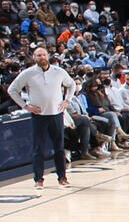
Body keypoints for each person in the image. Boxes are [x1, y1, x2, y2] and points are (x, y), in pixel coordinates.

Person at [6, 46, 76, 189]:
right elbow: (12, 90)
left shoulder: (59, 72)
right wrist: (25, 106)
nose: (41, 57)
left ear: (48, 56)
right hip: (39, 116)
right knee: (38, 149)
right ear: (34, 57)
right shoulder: (27, 73)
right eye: (38, 55)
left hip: (56, 114)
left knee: (59, 148)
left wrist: (67, 100)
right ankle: (38, 179)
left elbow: (72, 84)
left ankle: (62, 177)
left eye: (43, 55)